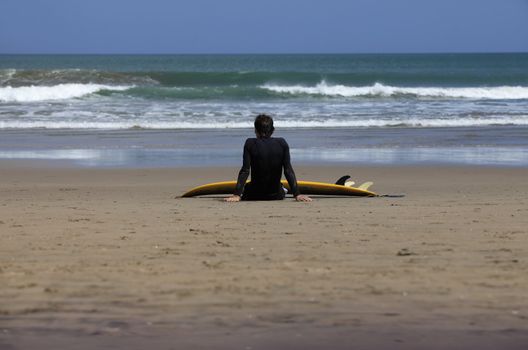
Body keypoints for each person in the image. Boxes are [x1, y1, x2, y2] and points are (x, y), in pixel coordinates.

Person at [225, 114, 312, 202]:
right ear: (273, 130)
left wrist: (236, 195)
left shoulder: (249, 143)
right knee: (281, 187)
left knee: (248, 187)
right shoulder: (282, 143)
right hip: (277, 195)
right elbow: (288, 170)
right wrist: (297, 194)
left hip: (253, 195)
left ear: (255, 130)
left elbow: (245, 171)